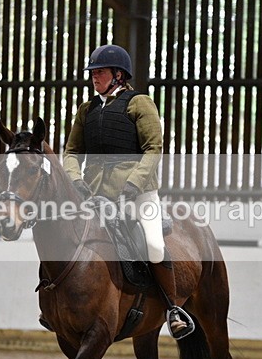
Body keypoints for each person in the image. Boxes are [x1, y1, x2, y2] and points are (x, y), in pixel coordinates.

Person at [61, 44, 195, 340]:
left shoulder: (140, 104)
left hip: (138, 193)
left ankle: (173, 310)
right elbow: (71, 152)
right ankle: (58, 306)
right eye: (93, 73)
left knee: (153, 244)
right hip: (95, 195)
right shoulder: (87, 110)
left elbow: (153, 148)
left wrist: (133, 185)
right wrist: (76, 181)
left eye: (100, 72)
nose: (94, 78)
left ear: (118, 75)